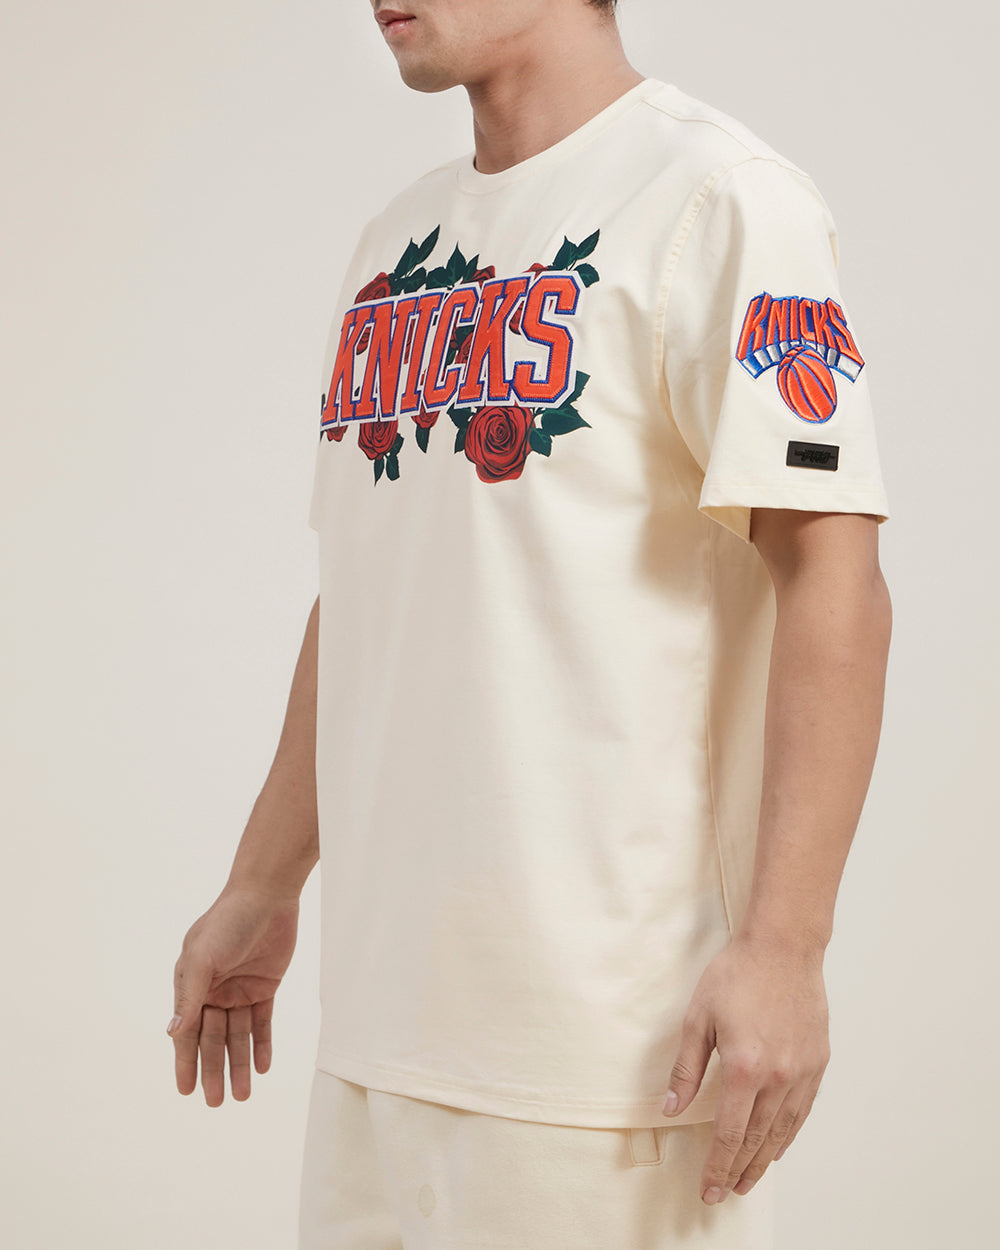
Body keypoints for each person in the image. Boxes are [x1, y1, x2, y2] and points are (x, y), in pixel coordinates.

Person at [167, 1, 893, 1246]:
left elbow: (833, 574)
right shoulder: (395, 246)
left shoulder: (719, 200)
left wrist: (786, 947)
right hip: (379, 1035)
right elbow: (372, 589)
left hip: (610, 1057)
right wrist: (262, 879)